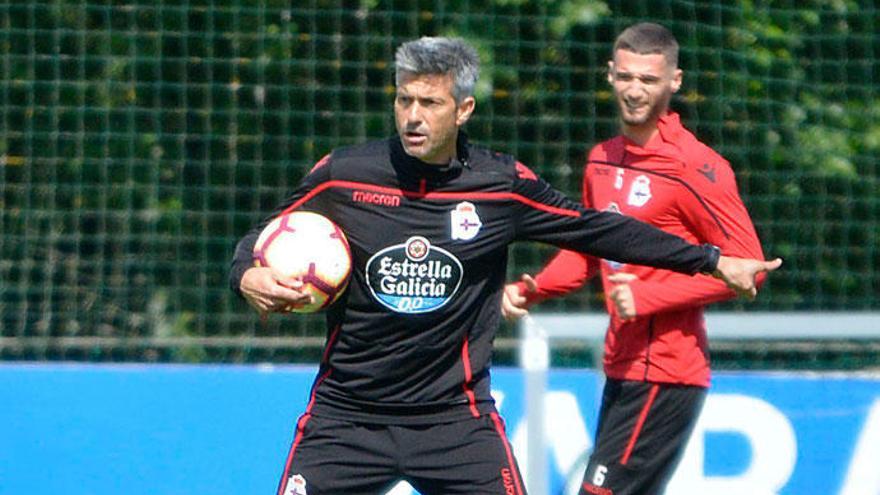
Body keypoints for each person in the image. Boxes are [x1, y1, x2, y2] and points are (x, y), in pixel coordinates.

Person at [230, 36, 780, 495]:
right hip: (345, 418)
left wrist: (709, 259)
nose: (413, 118)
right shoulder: (345, 175)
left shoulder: (498, 186)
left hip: (454, 424)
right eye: (404, 101)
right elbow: (263, 234)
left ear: (464, 109)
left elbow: (596, 228)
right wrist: (248, 274)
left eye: (430, 103)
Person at [502, 23, 772, 495]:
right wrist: (532, 289)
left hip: (667, 371)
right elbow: (587, 252)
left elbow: (748, 271)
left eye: (648, 80)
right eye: (626, 77)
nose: (634, 90)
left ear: (675, 81)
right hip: (622, 365)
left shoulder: (696, 166)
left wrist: (649, 296)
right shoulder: (601, 159)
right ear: (610, 75)